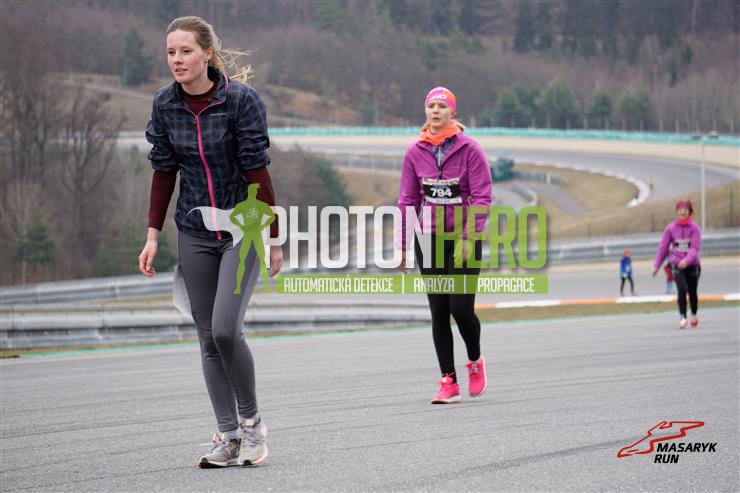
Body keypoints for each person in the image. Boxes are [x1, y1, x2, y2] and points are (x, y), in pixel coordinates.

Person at [138, 16, 282, 468]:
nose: (177, 60)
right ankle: (228, 436)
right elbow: (164, 172)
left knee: (224, 329)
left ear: (207, 54)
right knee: (206, 338)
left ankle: (252, 424)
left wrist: (275, 237)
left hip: (244, 228)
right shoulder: (165, 104)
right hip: (195, 230)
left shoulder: (240, 101)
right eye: (171, 52)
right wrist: (152, 235)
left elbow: (258, 172)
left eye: (185, 51)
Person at [397, 87, 492, 404]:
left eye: (441, 106)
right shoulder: (414, 153)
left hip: (464, 239)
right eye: (431, 106)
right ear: (425, 111)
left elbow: (482, 197)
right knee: (439, 311)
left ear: (452, 112)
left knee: (460, 309)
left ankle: (475, 361)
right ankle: (448, 381)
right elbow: (407, 201)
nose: (435, 111)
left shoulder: (470, 150)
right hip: (429, 239)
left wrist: (468, 236)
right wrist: (402, 244)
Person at [652, 199, 701, 329]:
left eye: (685, 210)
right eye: (680, 210)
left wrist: (687, 261)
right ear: (677, 211)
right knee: (681, 289)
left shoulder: (695, 228)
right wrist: (657, 265)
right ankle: (682, 316)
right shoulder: (670, 229)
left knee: (692, 291)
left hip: (692, 265)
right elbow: (663, 247)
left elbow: (695, 248)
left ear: (689, 211)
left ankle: (694, 313)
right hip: (676, 264)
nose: (682, 212)